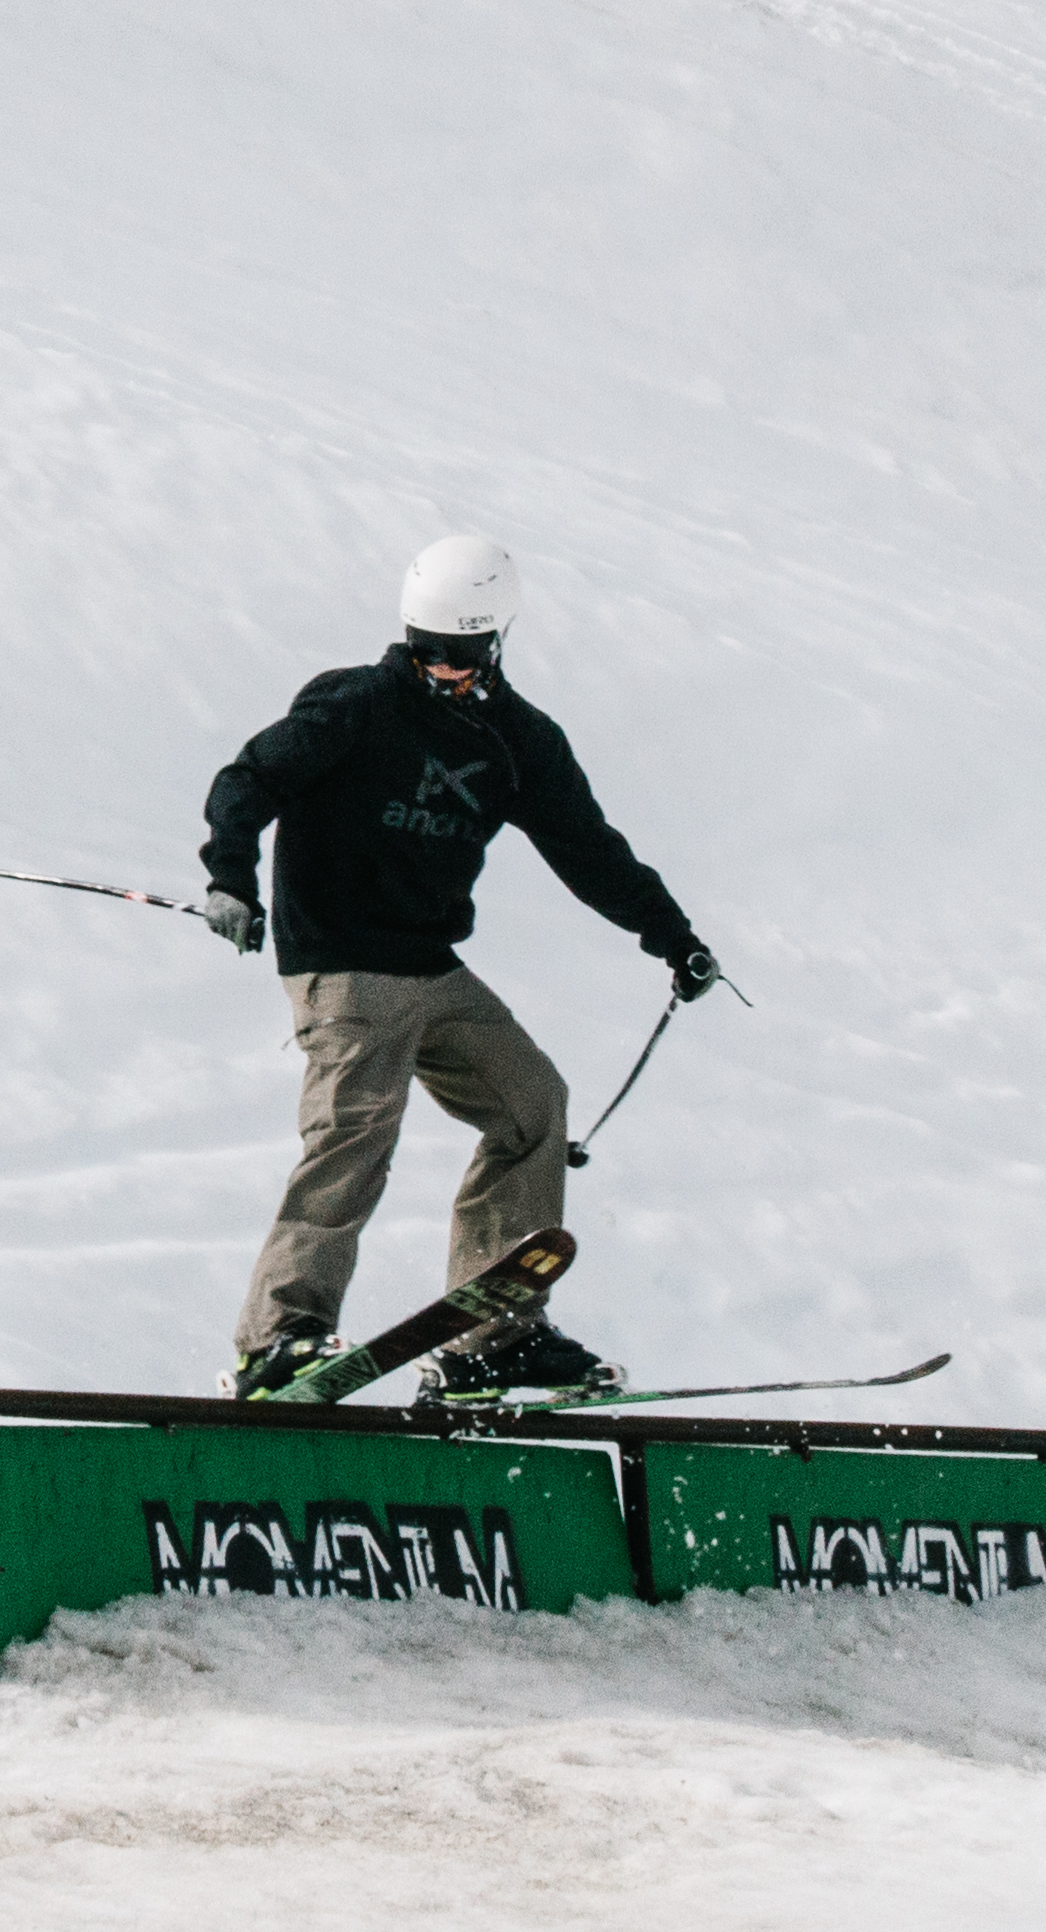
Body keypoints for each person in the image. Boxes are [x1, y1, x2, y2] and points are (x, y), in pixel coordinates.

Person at [196, 534, 722, 1400]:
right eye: (430, 654)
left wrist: (673, 937)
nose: (445, 671)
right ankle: (278, 1339)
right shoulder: (354, 706)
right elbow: (247, 781)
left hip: (431, 968)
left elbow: (589, 851)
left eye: (464, 657)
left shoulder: (518, 740)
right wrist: (229, 878)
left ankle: (495, 1337)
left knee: (532, 1103)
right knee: (356, 1131)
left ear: (497, 640)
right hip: (344, 966)